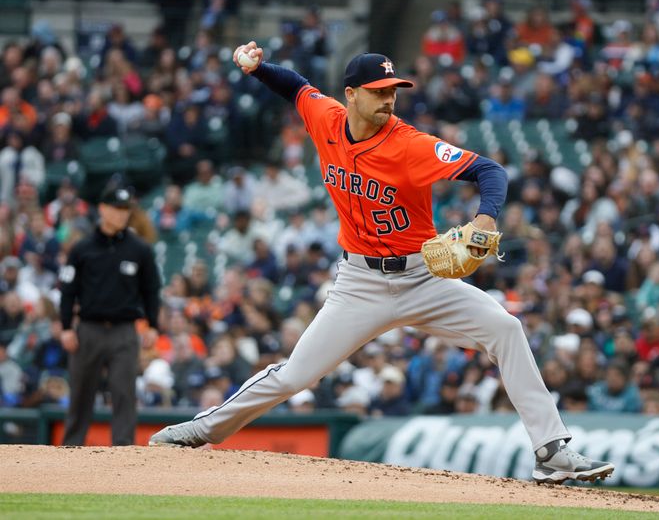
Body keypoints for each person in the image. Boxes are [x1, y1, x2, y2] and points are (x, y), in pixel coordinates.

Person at [149, 43, 614, 484]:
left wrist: (485, 217)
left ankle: (551, 452)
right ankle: (199, 430)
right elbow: (296, 87)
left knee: (506, 329)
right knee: (296, 374)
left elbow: (489, 171)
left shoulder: (410, 145)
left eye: (393, 91)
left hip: (422, 277)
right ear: (350, 95)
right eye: (378, 92)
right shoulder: (326, 117)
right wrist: (256, 69)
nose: (389, 100)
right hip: (358, 284)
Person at [59, 186, 161, 445]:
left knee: (124, 393)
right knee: (81, 393)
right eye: (117, 208)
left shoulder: (140, 249)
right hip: (89, 329)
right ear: (102, 209)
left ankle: (123, 453)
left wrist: (152, 325)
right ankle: (71, 448)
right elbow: (68, 290)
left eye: (126, 210)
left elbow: (151, 290)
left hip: (124, 330)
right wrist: (66, 327)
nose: (122, 214)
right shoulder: (82, 248)